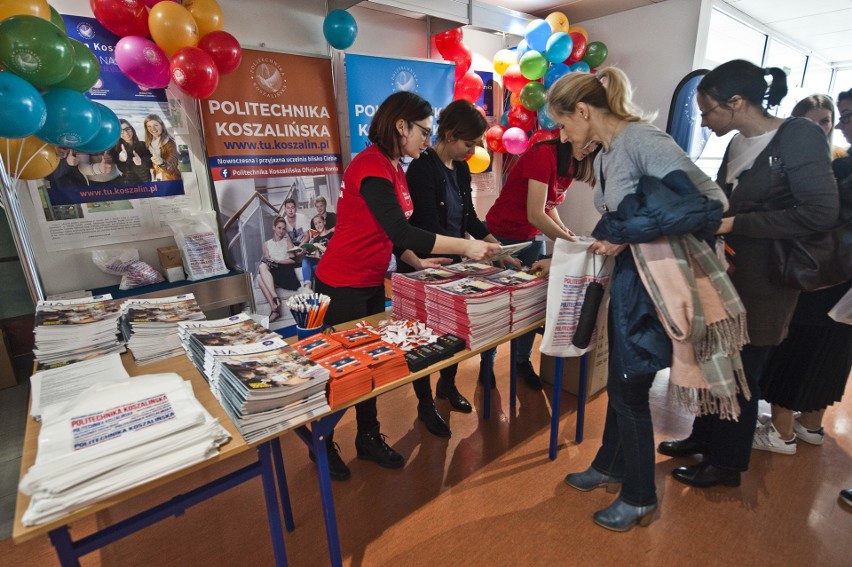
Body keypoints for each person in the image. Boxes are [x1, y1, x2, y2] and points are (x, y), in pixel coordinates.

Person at [547, 67, 730, 532]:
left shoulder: (642, 140)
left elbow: (708, 203)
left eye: (565, 124)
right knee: (624, 384)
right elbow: (626, 215)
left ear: (584, 111)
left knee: (629, 389)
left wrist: (624, 235)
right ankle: (609, 466)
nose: (563, 134)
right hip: (633, 279)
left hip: (653, 285)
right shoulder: (608, 152)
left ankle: (639, 496)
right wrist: (610, 238)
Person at [657, 62, 838, 480]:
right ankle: (704, 436)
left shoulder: (797, 136)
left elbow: (819, 211)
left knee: (743, 371)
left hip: (768, 281)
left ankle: (727, 463)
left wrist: (739, 224)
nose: (703, 120)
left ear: (736, 102)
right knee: (714, 359)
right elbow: (726, 201)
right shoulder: (739, 143)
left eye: (708, 111)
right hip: (728, 273)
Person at [313, 91, 500, 481]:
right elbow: (400, 228)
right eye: (423, 132)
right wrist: (467, 245)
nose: (427, 140)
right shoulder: (371, 166)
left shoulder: (396, 166)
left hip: (369, 281)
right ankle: (321, 442)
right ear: (401, 126)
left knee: (371, 367)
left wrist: (416, 260)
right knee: (342, 373)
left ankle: (367, 437)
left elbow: (391, 235)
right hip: (341, 283)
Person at [398, 99, 513, 437]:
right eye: (469, 143)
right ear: (449, 134)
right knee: (422, 341)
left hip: (456, 266)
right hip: (423, 267)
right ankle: (424, 403)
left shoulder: (462, 169)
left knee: (454, 334)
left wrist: (498, 249)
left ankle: (446, 386)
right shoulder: (421, 168)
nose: (473, 150)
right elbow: (427, 231)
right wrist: (467, 250)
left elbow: (471, 220)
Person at [755, 89, 851, 452]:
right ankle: (810, 424)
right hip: (838, 277)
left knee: (797, 344)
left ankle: (781, 431)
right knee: (831, 348)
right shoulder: (838, 165)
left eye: (831, 119)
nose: (832, 126)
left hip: (818, 273)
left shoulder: (837, 169)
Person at [484, 134, 597, 390]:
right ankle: (485, 364)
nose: (589, 149)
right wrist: (570, 244)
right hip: (502, 234)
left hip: (531, 238)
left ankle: (521, 361)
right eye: (587, 142)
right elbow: (536, 213)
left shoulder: (573, 161)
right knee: (495, 306)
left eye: (595, 146)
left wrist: (566, 231)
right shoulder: (542, 155)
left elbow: (548, 203)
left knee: (530, 305)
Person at [257, 216, 301, 323]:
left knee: (259, 278)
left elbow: (292, 260)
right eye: (279, 228)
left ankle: (274, 309)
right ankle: (275, 301)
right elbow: (267, 261)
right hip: (274, 271)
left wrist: (277, 260)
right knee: (260, 272)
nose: (281, 231)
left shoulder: (287, 241)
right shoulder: (266, 244)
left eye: (283, 229)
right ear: (274, 227)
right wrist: (270, 262)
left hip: (286, 271)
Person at [110, 119, 153, 183]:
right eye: (121, 131)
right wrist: (122, 160)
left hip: (146, 182)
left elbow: (151, 164)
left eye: (127, 129)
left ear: (132, 129)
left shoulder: (143, 144)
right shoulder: (116, 149)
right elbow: (122, 169)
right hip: (129, 184)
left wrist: (141, 162)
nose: (126, 133)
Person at [144, 114, 181, 181]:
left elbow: (171, 167)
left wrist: (162, 163)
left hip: (170, 181)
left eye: (155, 125)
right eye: (149, 126)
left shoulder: (170, 143)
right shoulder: (150, 144)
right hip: (158, 180)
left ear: (162, 125)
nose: (152, 129)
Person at [300, 213, 334, 285]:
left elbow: (331, 253)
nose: (318, 225)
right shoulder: (315, 239)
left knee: (311, 270)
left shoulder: (331, 235)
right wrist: (308, 253)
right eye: (315, 224)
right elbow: (318, 256)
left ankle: (308, 286)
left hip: (329, 262)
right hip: (320, 262)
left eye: (319, 222)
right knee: (305, 259)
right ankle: (308, 286)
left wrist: (318, 245)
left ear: (324, 222)